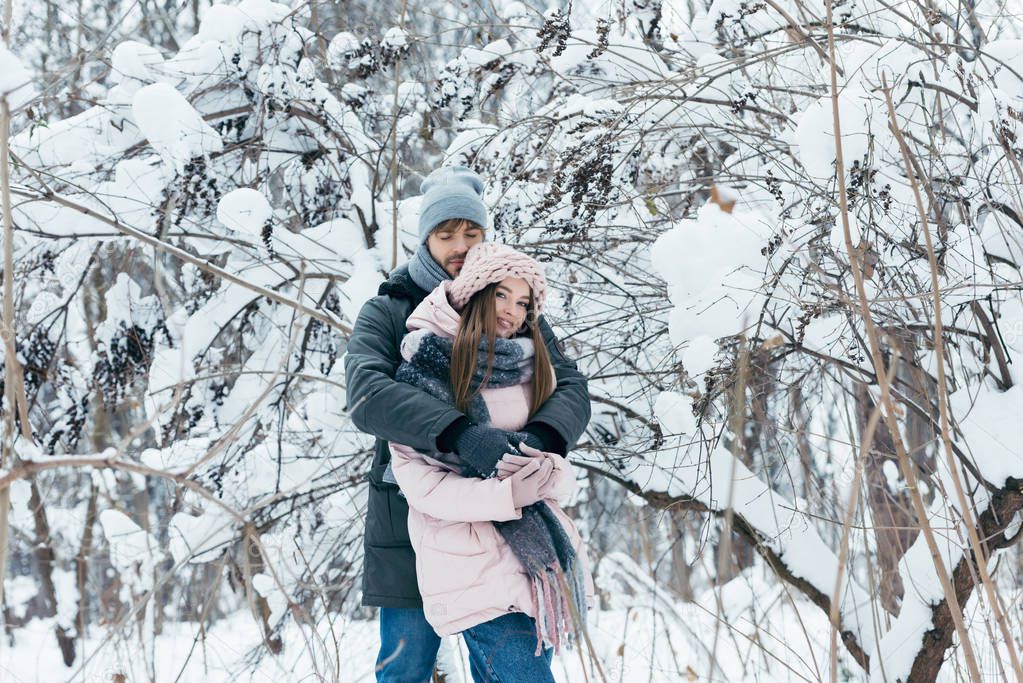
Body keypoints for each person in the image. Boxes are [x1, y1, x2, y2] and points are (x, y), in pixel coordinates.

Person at [343, 166, 591, 682]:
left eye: (471, 233)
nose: (459, 245)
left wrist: (539, 441)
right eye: (446, 233)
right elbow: (369, 394)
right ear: (425, 238)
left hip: (507, 513)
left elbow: (568, 385)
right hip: (408, 507)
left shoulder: (514, 308)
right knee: (406, 665)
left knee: (505, 657)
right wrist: (463, 435)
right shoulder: (389, 310)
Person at [388, 242, 595, 681]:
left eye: (523, 303)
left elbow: (559, 471)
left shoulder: (530, 369)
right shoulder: (427, 365)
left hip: (534, 568)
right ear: (476, 291)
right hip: (471, 566)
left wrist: (545, 473)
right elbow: (421, 485)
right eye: (502, 294)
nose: (512, 311)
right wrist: (507, 493)